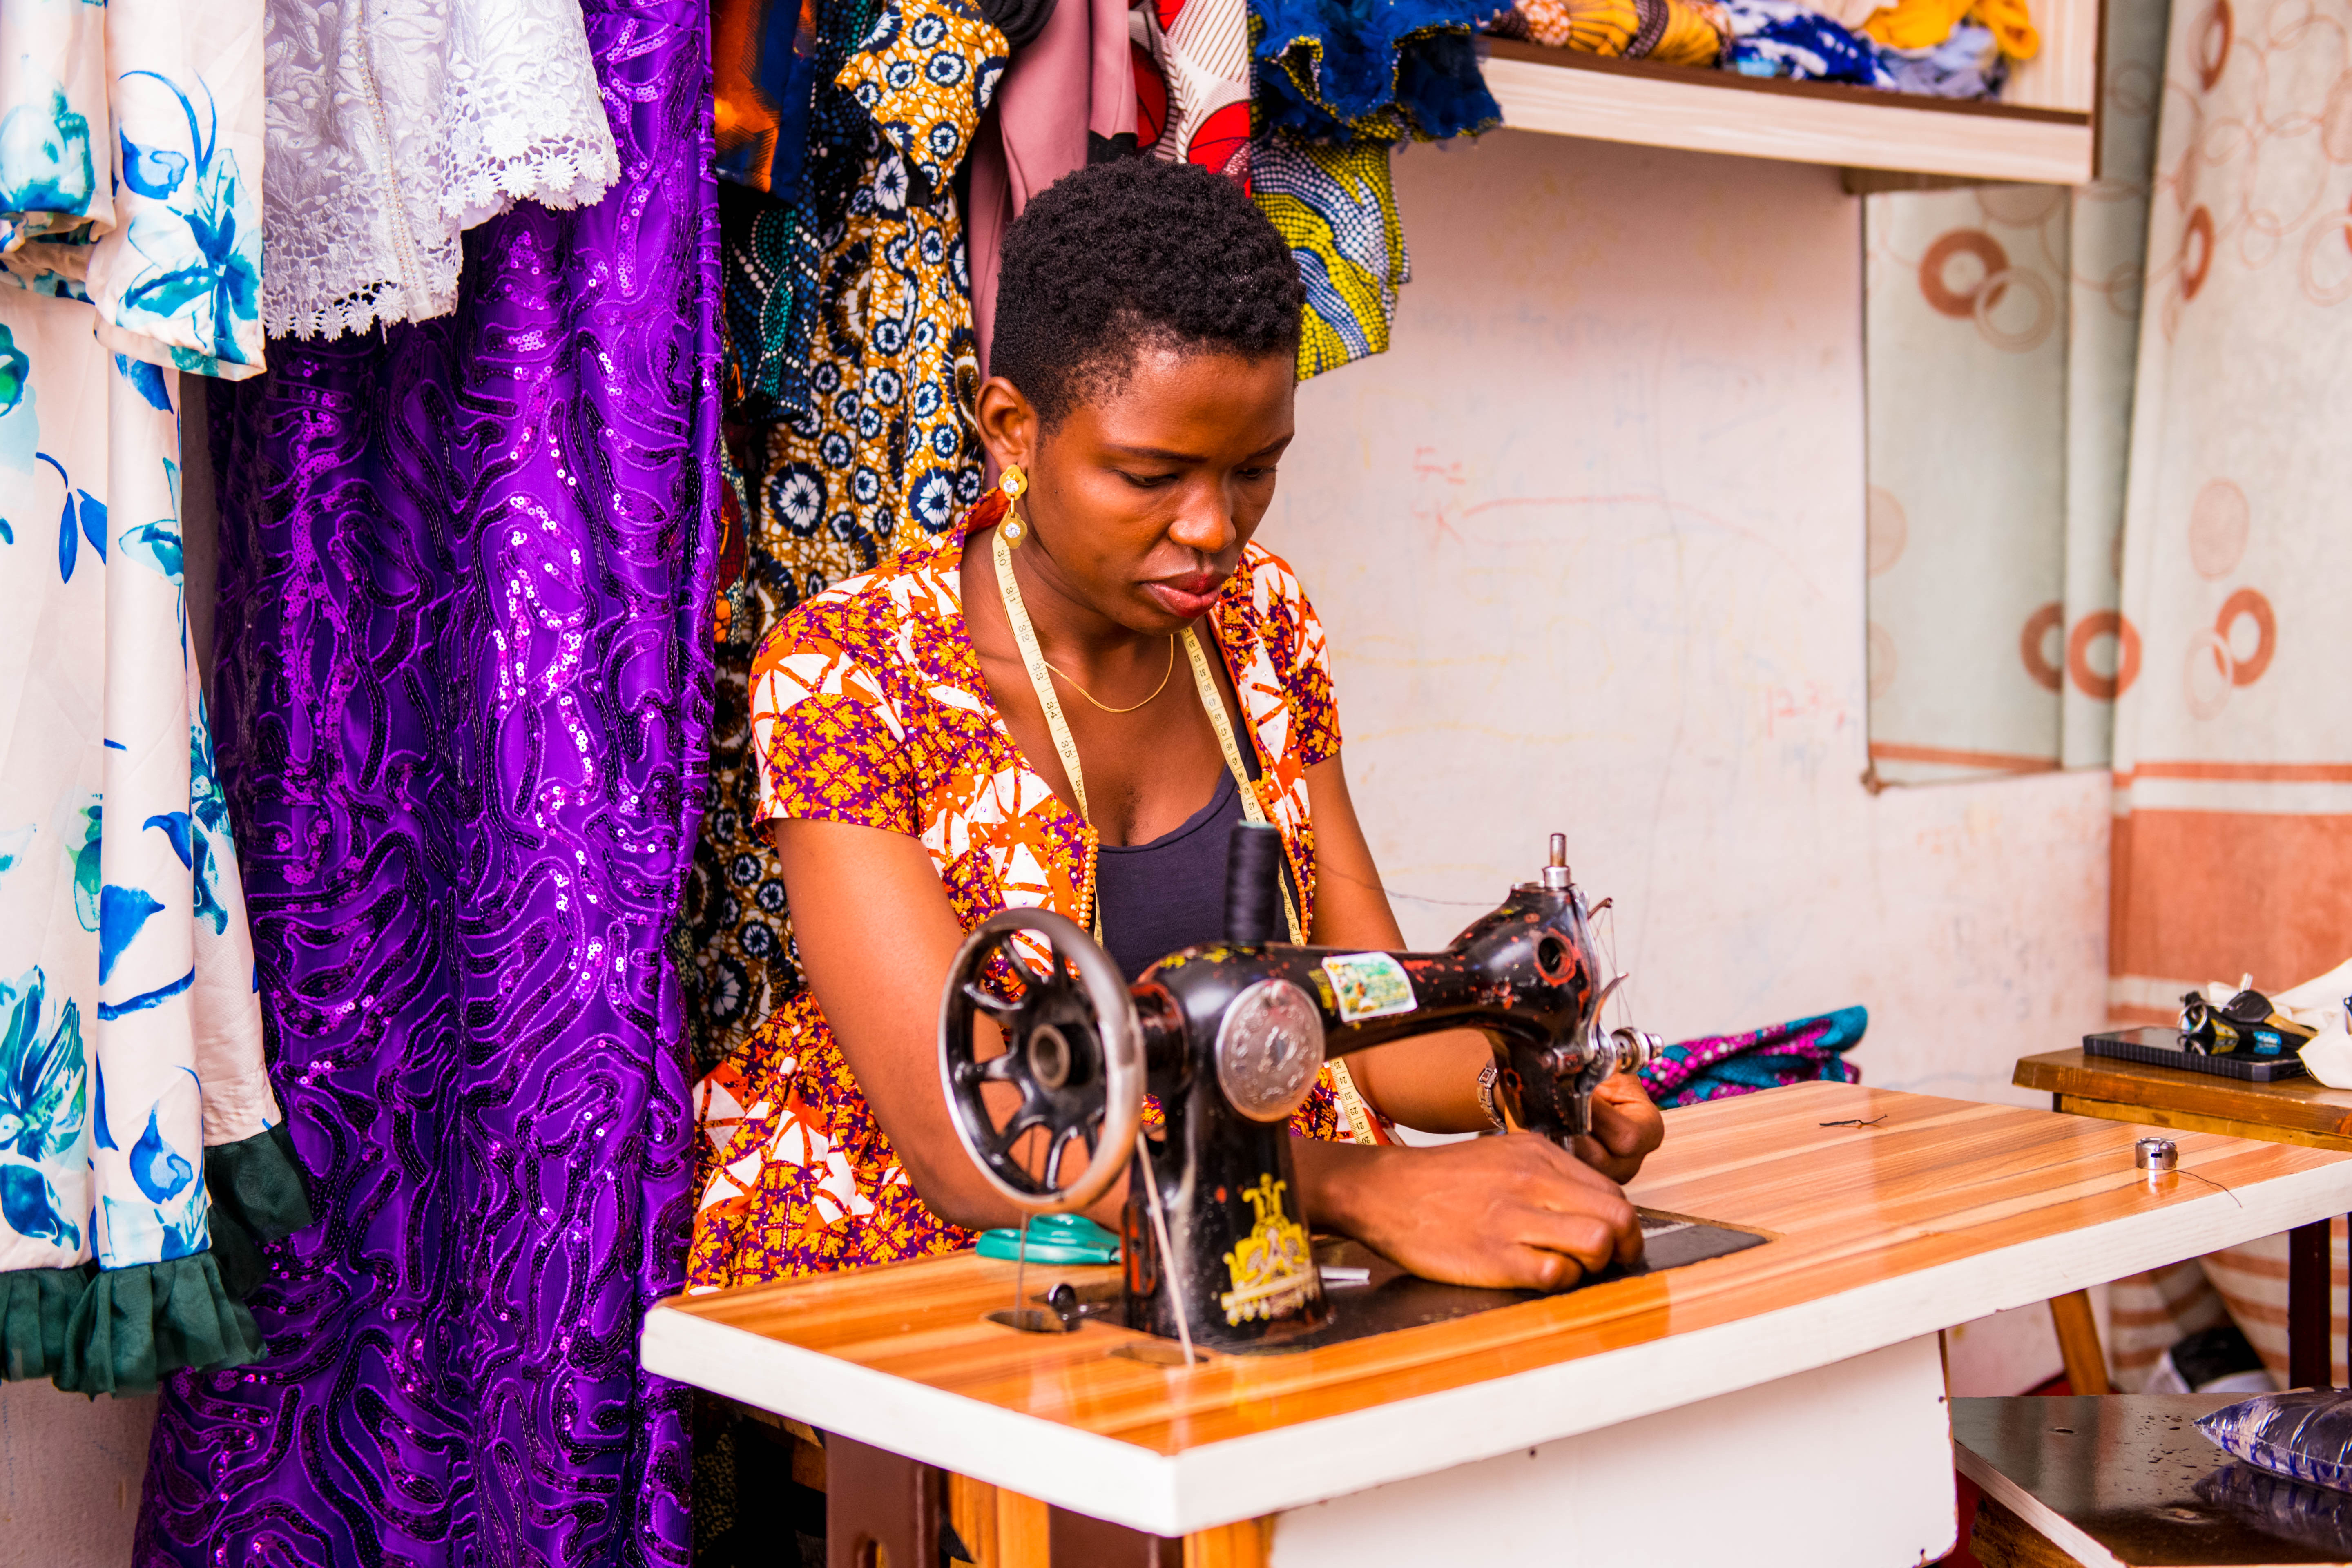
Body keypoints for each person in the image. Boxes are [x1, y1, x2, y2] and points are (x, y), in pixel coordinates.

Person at [686, 156, 1661, 1296]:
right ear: (1013, 428)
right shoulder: (853, 671)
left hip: (1238, 1249)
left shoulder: (1263, 625)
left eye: (1256, 469)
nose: (1212, 528)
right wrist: (1357, 1191)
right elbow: (968, 1140)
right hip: (931, 1273)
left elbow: (1373, 1023)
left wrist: (1537, 1090)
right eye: (1151, 475)